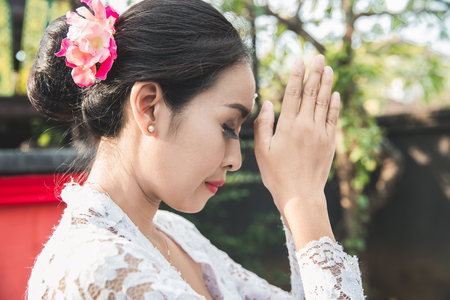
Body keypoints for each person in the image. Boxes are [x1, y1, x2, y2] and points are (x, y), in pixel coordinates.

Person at [26, 0, 365, 299]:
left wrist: (298, 201)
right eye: (227, 127)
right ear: (149, 107)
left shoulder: (175, 235)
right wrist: (303, 198)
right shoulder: (98, 268)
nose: (235, 160)